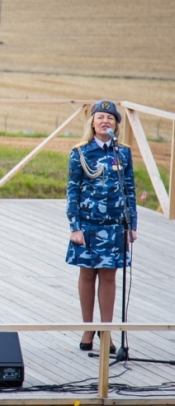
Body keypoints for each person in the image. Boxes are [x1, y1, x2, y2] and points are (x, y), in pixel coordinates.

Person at [67, 100, 137, 353]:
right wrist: (74, 226)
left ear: (116, 124)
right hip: (87, 224)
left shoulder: (123, 152)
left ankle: (105, 331)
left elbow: (129, 190)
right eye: (100, 118)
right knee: (87, 273)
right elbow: (72, 191)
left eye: (110, 118)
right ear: (92, 123)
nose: (105, 121)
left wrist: (132, 225)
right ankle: (88, 328)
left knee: (108, 275)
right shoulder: (81, 152)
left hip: (115, 225)